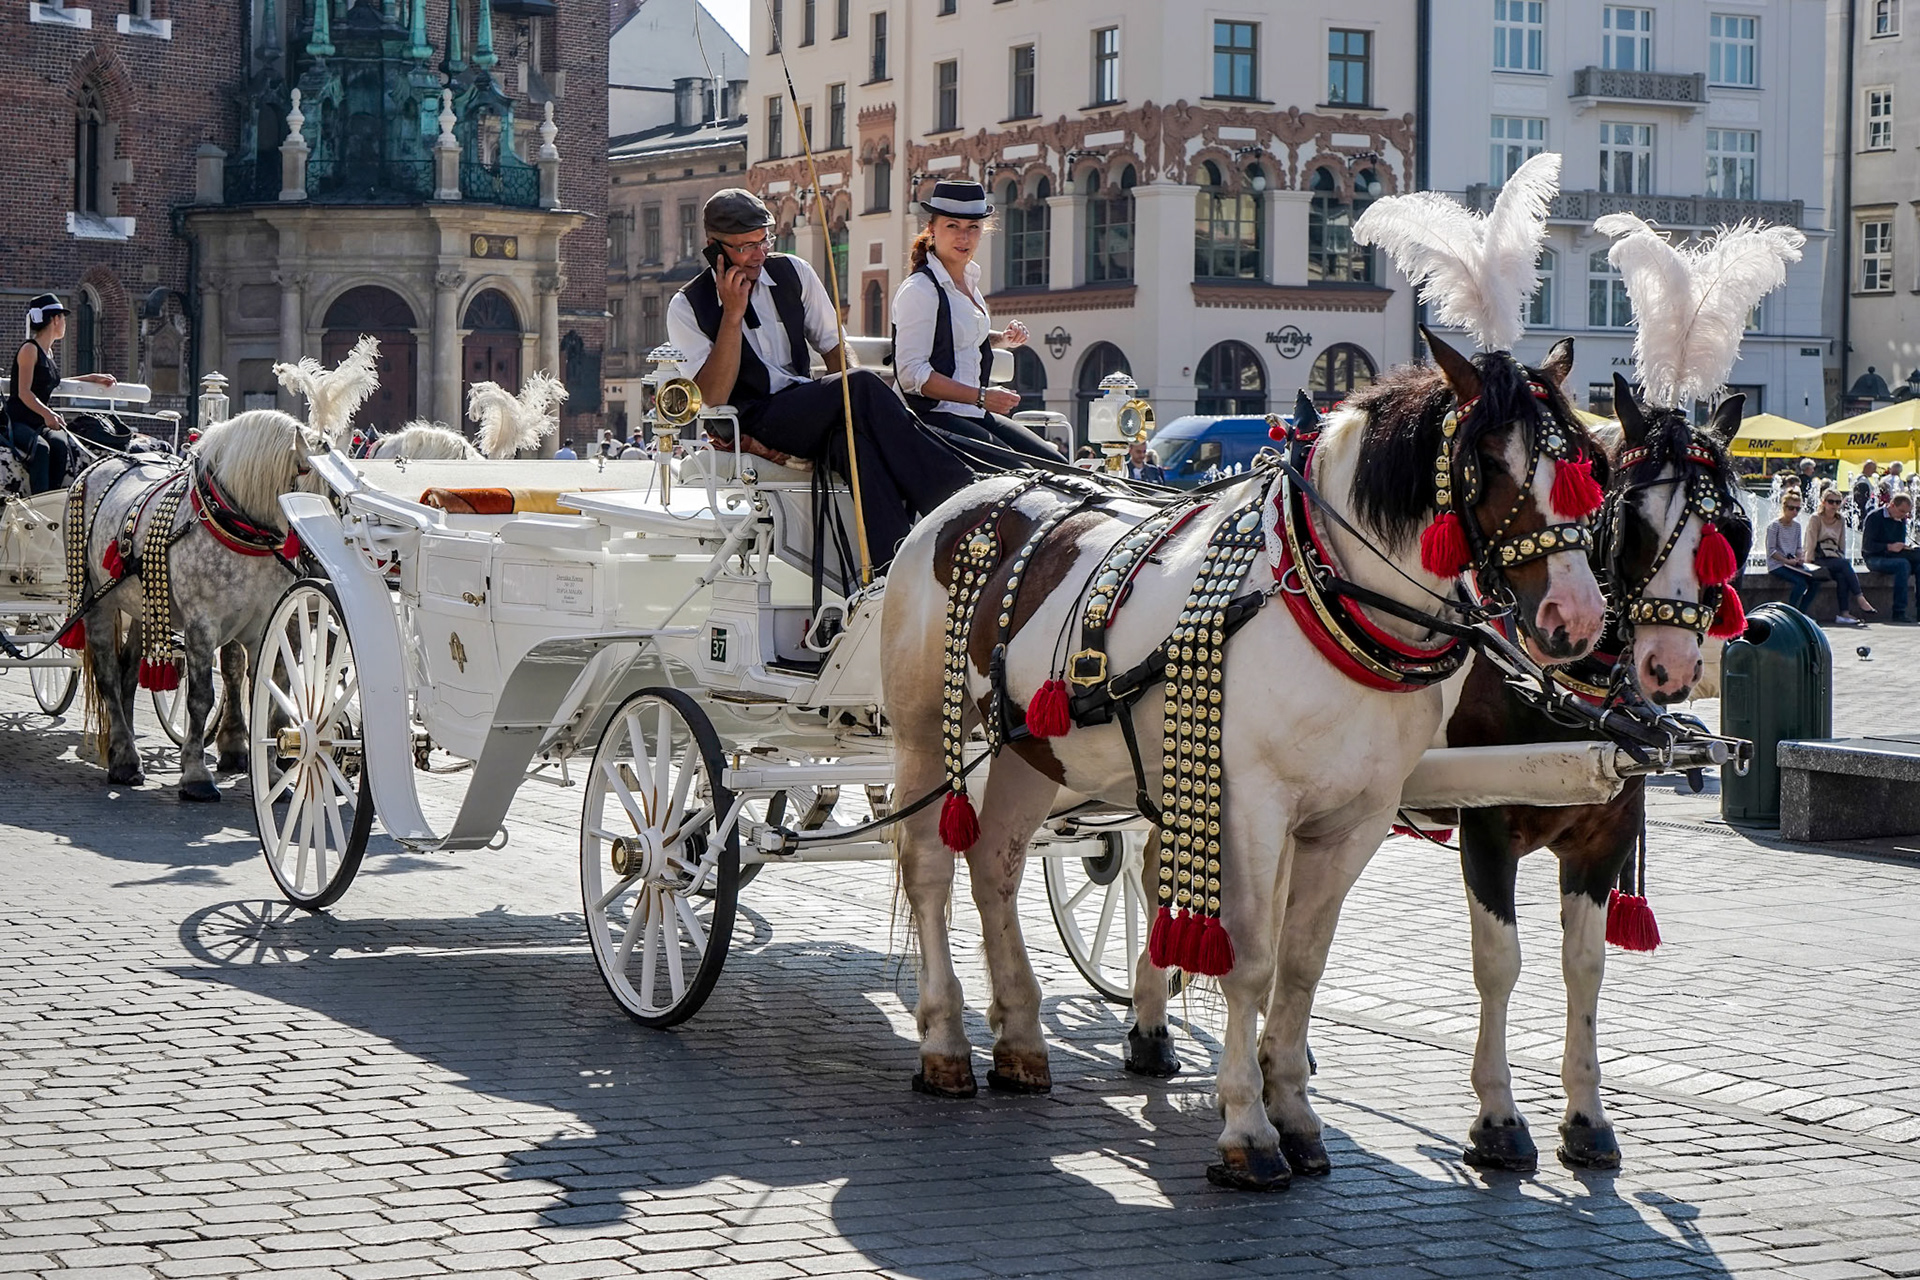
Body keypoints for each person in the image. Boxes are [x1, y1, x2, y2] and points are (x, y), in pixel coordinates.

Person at [667, 188, 979, 571]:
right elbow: (713, 397)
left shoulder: (793, 273)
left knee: (859, 444)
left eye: (763, 240)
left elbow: (835, 348)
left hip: (804, 409)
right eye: (745, 246)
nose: (758, 254)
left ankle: (891, 570)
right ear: (714, 248)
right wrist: (732, 315)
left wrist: (848, 409)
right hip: (751, 417)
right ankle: (958, 494)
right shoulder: (687, 306)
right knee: (862, 384)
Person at [890, 181, 1063, 465]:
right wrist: (981, 396)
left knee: (1059, 466)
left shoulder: (969, 281)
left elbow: (957, 338)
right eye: (952, 226)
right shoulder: (920, 289)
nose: (964, 237)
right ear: (932, 229)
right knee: (1023, 476)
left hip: (972, 413)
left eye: (973, 227)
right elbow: (911, 376)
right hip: (931, 417)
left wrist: (1001, 339)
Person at [5, 294, 113, 495]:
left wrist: (91, 377)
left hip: (38, 421)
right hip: (18, 421)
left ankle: (53, 498)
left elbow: (53, 382)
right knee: (41, 449)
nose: (64, 323)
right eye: (63, 318)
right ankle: (39, 502)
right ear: (55, 319)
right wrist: (48, 414)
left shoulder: (48, 353)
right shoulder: (29, 349)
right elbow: (24, 392)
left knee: (60, 444)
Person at [1808, 488, 1872, 625]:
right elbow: (1810, 541)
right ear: (1823, 502)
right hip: (1819, 558)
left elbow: (1841, 543)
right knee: (1844, 565)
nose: (1834, 506)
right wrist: (1808, 563)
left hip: (1834, 558)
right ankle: (1860, 597)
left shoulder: (1840, 519)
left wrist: (1841, 557)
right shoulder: (1816, 518)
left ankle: (1844, 613)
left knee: (1843, 575)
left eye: (1837, 502)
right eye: (1831, 502)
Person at [1863, 492, 1920, 622]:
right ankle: (1899, 611)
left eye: (1906, 513)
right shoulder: (1874, 517)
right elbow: (1867, 546)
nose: (1903, 515)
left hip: (1893, 556)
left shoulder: (1901, 520)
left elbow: (1898, 544)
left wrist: (1905, 548)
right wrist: (1889, 547)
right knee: (1903, 565)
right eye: (1901, 511)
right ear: (1892, 505)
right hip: (1874, 558)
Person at [1765, 489, 1820, 613]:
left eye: (1797, 509)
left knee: (1816, 582)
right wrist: (1786, 561)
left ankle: (1802, 612)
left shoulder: (1797, 526)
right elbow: (1771, 551)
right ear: (1784, 507)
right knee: (1800, 583)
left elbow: (1798, 547)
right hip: (1777, 565)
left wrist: (1800, 558)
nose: (1794, 512)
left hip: (1792, 564)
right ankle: (1792, 613)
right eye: (1791, 508)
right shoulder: (1774, 526)